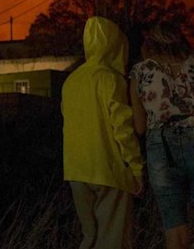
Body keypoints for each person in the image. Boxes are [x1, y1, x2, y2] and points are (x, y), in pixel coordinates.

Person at [129, 22, 194, 249]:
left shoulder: (140, 72)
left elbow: (140, 127)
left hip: (161, 146)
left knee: (174, 228)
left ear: (149, 44)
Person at [61, 16, 145, 249]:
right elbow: (123, 130)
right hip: (109, 171)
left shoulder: (71, 81)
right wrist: (136, 169)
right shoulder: (111, 80)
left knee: (89, 238)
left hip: (76, 172)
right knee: (113, 240)